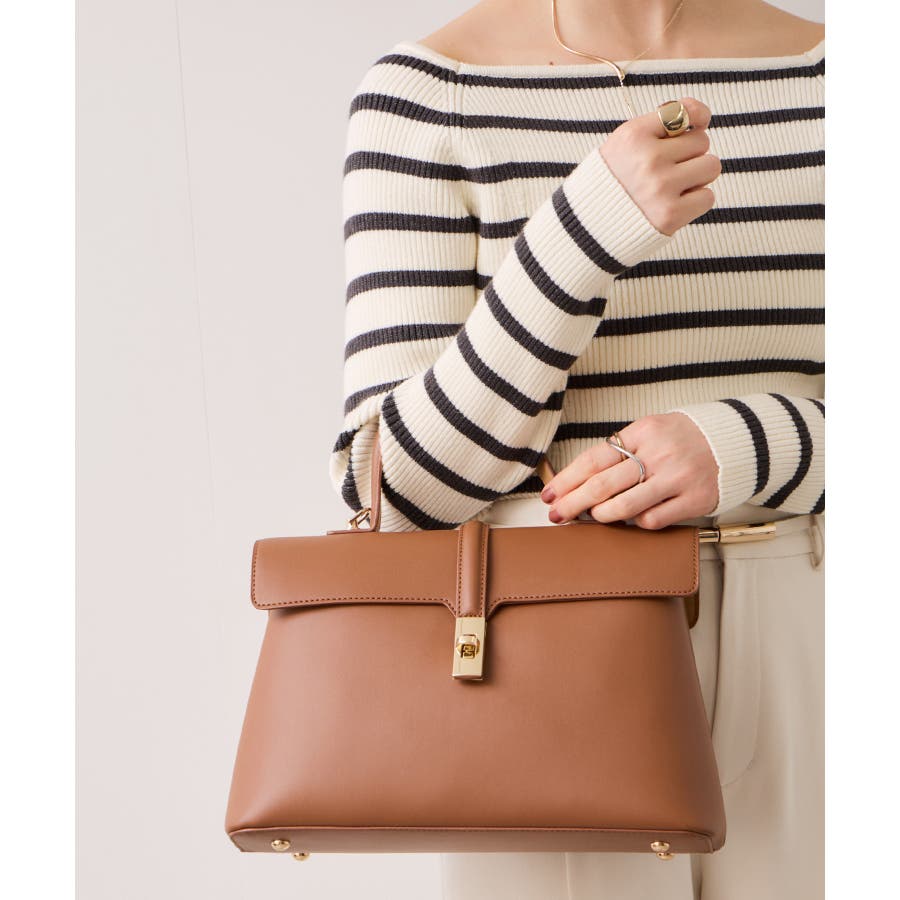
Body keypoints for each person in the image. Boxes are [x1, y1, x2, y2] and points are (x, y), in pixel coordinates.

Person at [329, 1, 824, 897]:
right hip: (552, 652)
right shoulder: (429, 96)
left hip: (821, 630)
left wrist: (754, 444)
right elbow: (392, 489)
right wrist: (580, 236)